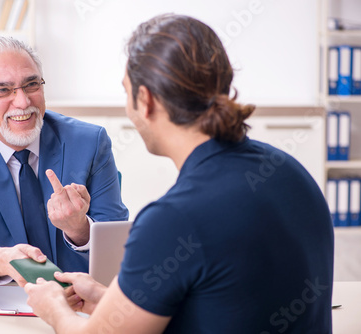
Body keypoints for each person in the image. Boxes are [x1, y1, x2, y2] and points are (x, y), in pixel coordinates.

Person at [24, 14, 334, 333]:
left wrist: (54, 308)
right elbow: (232, 304)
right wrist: (110, 301)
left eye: (126, 92)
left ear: (145, 100)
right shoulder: (291, 172)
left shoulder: (173, 219)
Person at [0, 36, 129, 285]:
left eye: (31, 84)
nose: (22, 102)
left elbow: (116, 240)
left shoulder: (90, 142)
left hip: (79, 298)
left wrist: (79, 228)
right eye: (3, 90)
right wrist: (3, 260)